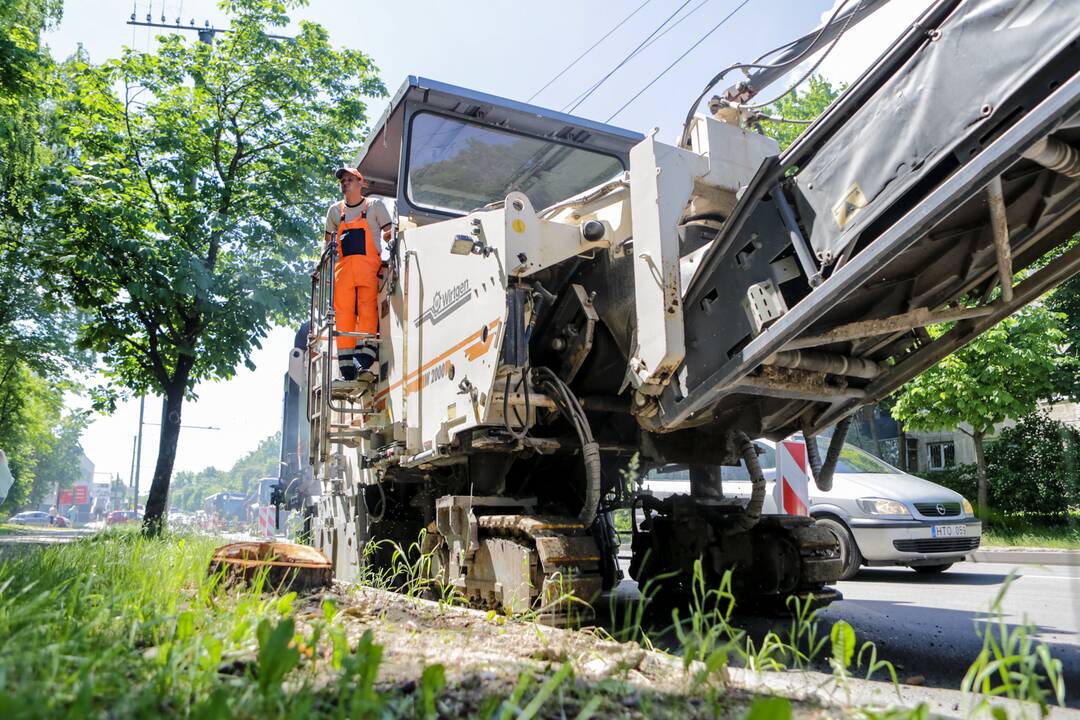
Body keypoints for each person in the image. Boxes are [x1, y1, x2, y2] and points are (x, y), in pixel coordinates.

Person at [324, 167, 393, 382]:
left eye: (350, 179)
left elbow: (390, 233)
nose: (345, 183)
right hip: (342, 272)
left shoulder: (374, 206)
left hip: (368, 269)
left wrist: (395, 249)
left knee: (367, 311)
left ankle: (363, 361)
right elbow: (327, 245)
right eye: (343, 180)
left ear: (360, 182)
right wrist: (322, 267)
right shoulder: (335, 212)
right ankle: (347, 369)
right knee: (343, 316)